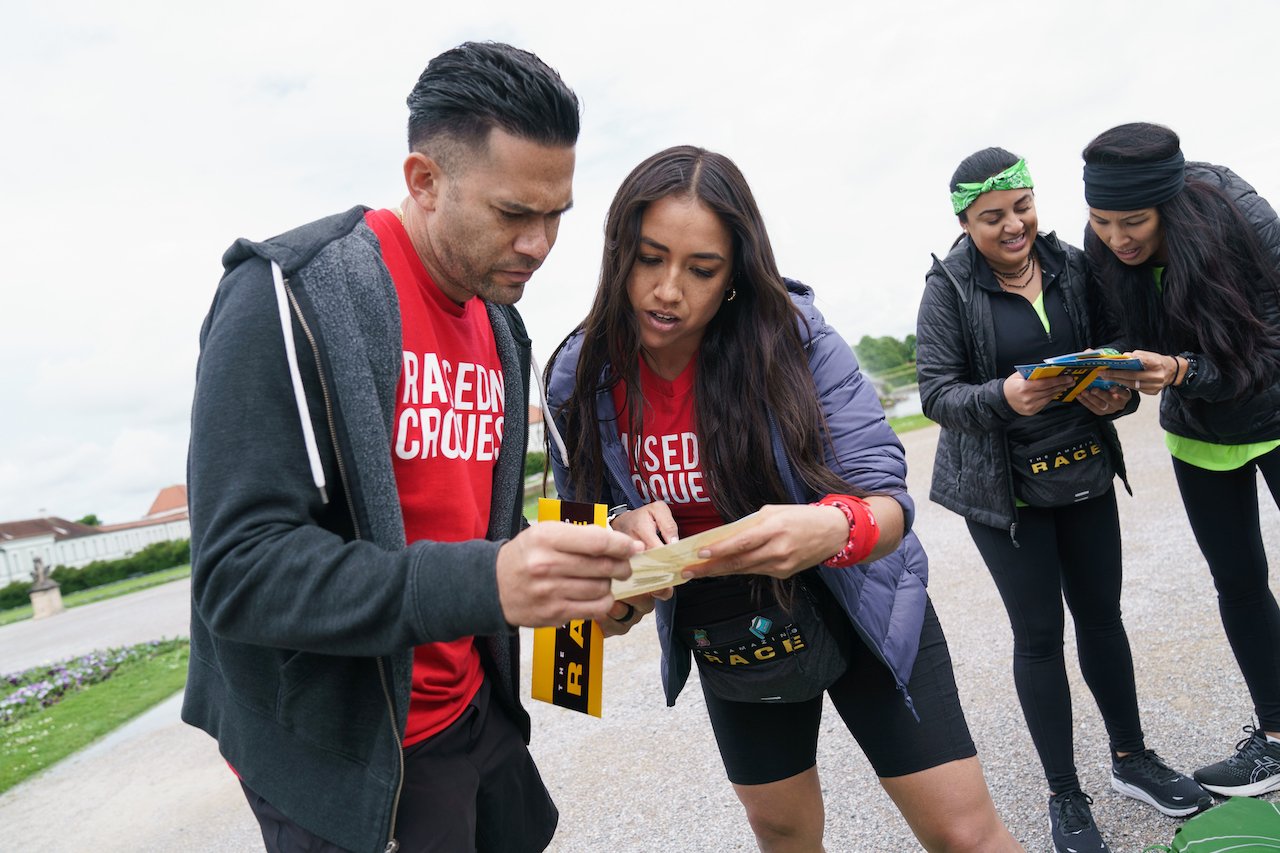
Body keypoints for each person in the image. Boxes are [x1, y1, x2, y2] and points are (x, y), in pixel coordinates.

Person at [185, 42, 647, 853]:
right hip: (357, 747)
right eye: (513, 213)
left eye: (557, 216)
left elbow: (484, 537)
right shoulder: (285, 294)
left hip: (475, 711)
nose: (540, 243)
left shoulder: (502, 324)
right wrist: (489, 578)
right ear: (425, 181)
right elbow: (238, 573)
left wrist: (594, 564)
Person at [545, 145, 1021, 853]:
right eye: (648, 258)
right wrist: (620, 550)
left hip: (855, 596)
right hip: (724, 623)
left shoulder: (794, 335)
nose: (668, 289)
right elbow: (586, 616)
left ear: (735, 274)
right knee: (782, 832)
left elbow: (890, 504)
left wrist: (830, 528)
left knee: (962, 832)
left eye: (701, 269)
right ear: (617, 251)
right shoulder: (574, 377)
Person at [915, 149, 1210, 853]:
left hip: (1078, 467)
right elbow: (936, 393)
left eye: (1021, 207)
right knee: (1040, 636)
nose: (1013, 225)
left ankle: (1132, 758)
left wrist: (1109, 390)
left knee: (1103, 619)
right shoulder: (947, 288)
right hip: (1002, 487)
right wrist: (1004, 395)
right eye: (992, 217)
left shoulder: (1074, 263)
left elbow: (1110, 342)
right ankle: (1065, 796)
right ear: (964, 220)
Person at [1082, 121, 1280, 798]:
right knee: (1240, 580)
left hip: (1276, 409)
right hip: (1200, 430)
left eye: (1132, 220)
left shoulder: (1240, 216)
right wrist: (1112, 393)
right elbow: (1122, 343)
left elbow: (1273, 346)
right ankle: (1278, 737)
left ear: (1168, 201)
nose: (1117, 238)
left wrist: (1185, 370)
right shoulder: (1103, 246)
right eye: (1102, 221)